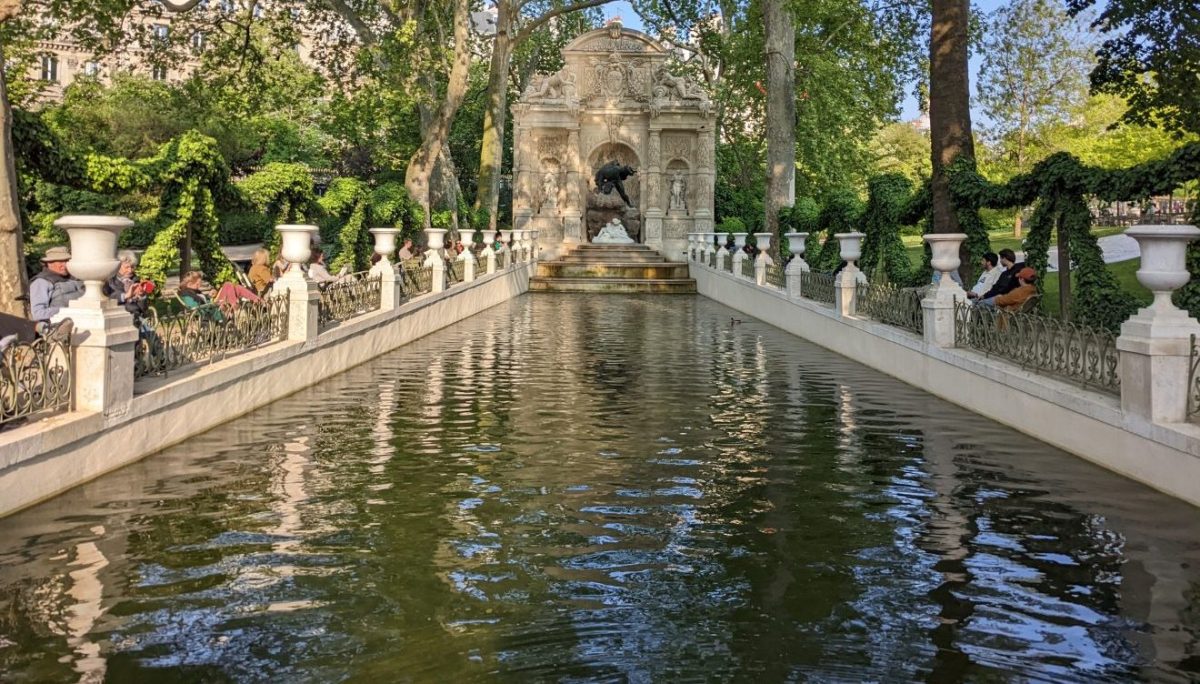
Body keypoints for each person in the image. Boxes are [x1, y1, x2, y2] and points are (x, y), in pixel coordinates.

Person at [29, 246, 84, 324]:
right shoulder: (41, 282)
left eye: (67, 261)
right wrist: (68, 310)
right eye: (61, 262)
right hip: (58, 328)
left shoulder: (77, 277)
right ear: (49, 263)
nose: (65, 265)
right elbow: (38, 313)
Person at [178, 271, 260, 313]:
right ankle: (235, 304)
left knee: (236, 287)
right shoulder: (187, 293)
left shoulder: (193, 291)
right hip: (213, 308)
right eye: (197, 284)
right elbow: (199, 304)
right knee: (228, 285)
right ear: (189, 283)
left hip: (213, 305)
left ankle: (256, 299)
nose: (199, 286)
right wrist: (210, 300)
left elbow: (202, 299)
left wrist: (209, 296)